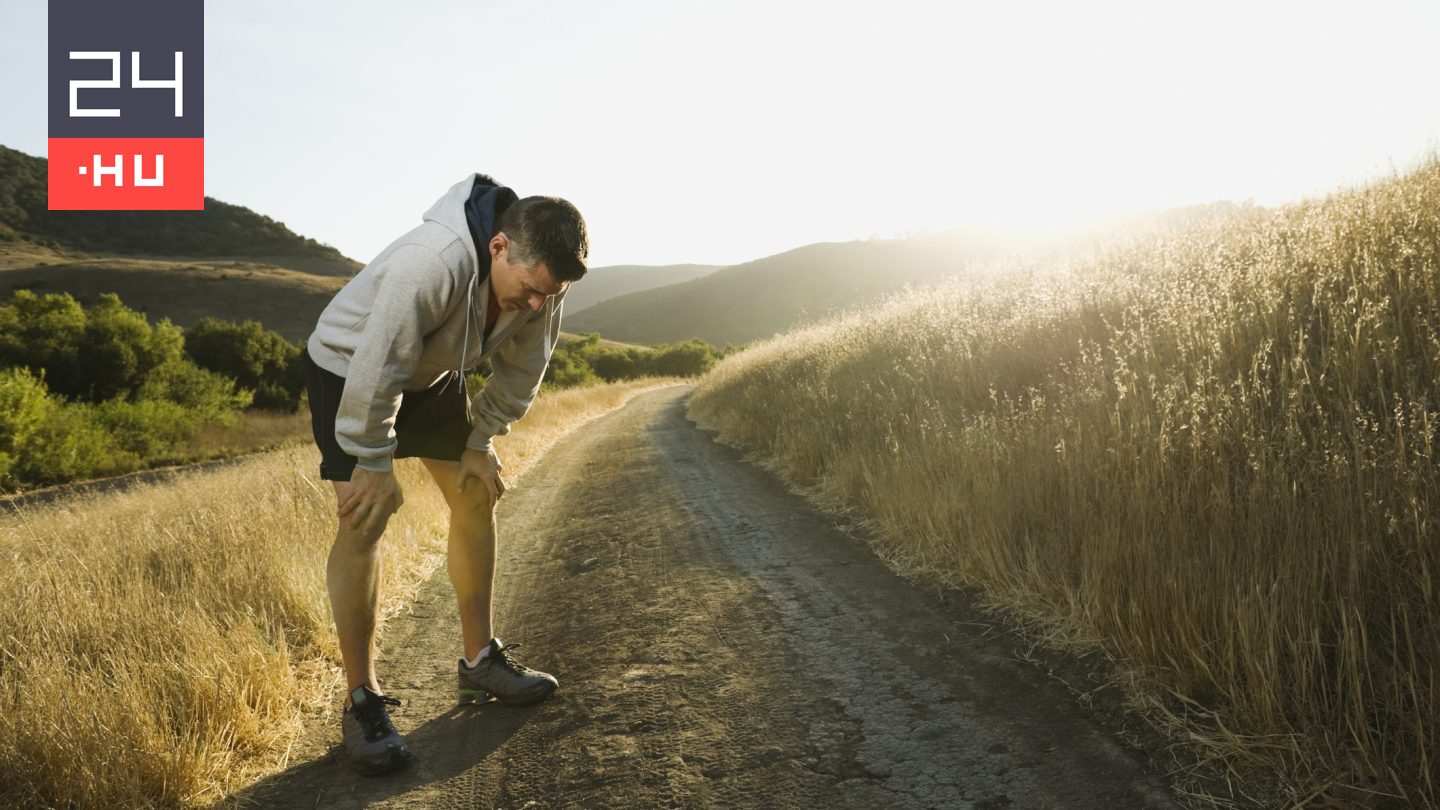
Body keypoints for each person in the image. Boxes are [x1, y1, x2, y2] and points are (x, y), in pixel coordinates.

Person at [300, 172, 588, 774]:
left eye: (550, 294)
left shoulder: (542, 281)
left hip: (431, 371)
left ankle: (479, 661)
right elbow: (380, 363)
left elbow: (524, 369)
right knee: (365, 517)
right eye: (532, 290)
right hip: (351, 367)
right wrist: (373, 461)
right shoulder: (429, 262)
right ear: (498, 248)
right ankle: (361, 701)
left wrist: (481, 440)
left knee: (475, 491)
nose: (539, 305)